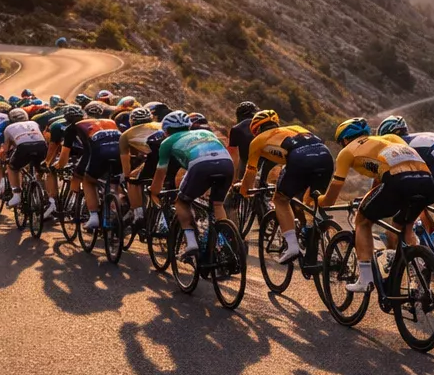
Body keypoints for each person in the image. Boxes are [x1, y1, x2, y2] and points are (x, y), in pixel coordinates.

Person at [319, 118, 434, 293]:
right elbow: (383, 176)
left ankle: (365, 280)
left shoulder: (347, 151)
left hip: (398, 180)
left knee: (363, 221)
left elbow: (331, 197)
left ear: (344, 139)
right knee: (404, 226)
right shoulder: (389, 139)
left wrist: (318, 200)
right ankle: (417, 276)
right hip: (427, 179)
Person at [239, 110, 333, 265]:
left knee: (280, 199)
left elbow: (251, 172)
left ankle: (292, 246)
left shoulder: (257, 141)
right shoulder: (296, 128)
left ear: (256, 130)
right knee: (310, 200)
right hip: (325, 155)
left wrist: (243, 191)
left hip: (299, 158)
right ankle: (319, 234)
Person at [149, 110, 235, 264]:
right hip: (226, 163)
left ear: (166, 131)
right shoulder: (203, 132)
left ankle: (191, 243)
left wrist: (154, 193)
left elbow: (160, 174)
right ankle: (224, 244)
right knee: (217, 204)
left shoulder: (167, 142)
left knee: (182, 202)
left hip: (200, 165)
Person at [67, 101, 121, 232]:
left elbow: (87, 152)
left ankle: (94, 216)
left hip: (98, 152)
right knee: (115, 183)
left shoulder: (79, 124)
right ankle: (120, 209)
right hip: (119, 151)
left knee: (88, 180)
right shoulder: (111, 121)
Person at [120, 106, 163, 227]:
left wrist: (127, 176)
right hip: (170, 157)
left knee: (132, 179)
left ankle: (138, 214)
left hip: (154, 158)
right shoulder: (159, 125)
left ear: (131, 121)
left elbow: (125, 160)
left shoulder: (125, 135)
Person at [0, 108, 49, 208]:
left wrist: (3, 157)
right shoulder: (34, 123)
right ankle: (43, 193)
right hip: (42, 146)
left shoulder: (8, 128)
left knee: (12, 167)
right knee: (40, 169)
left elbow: (6, 149)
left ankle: (17, 194)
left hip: (23, 147)